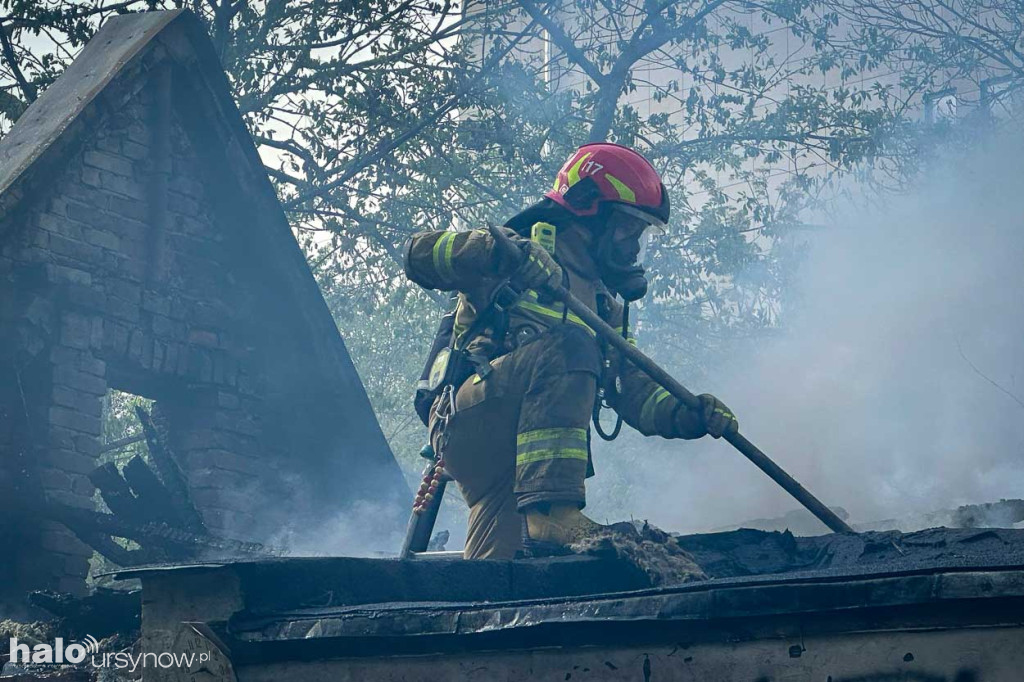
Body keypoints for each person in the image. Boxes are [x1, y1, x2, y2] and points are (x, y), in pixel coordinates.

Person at [404, 142, 738, 559]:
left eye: (641, 236)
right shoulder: (514, 251)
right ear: (590, 210)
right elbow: (417, 255)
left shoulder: (603, 305)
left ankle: (525, 542)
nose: (633, 247)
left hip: (515, 471)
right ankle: (554, 513)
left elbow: (630, 387)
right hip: (467, 423)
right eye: (628, 230)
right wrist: (497, 253)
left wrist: (687, 412)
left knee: (499, 583)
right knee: (571, 346)